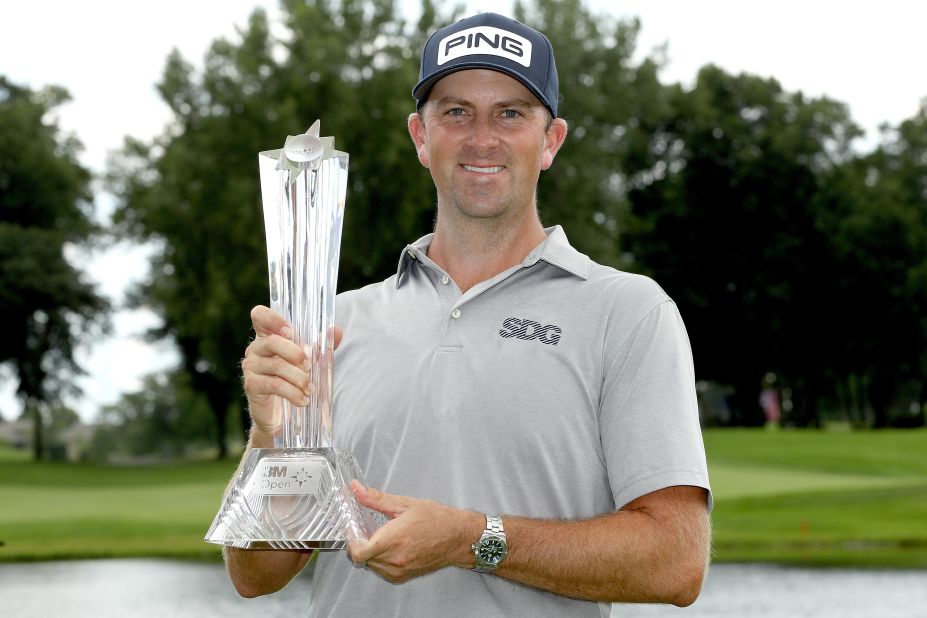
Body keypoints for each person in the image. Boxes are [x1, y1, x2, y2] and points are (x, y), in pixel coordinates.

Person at [226, 12, 712, 617]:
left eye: (511, 113)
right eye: (456, 112)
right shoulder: (337, 324)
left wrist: (469, 540)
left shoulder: (628, 313)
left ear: (551, 141)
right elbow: (257, 574)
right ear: (420, 138)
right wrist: (270, 438)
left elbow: (675, 561)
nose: (482, 137)